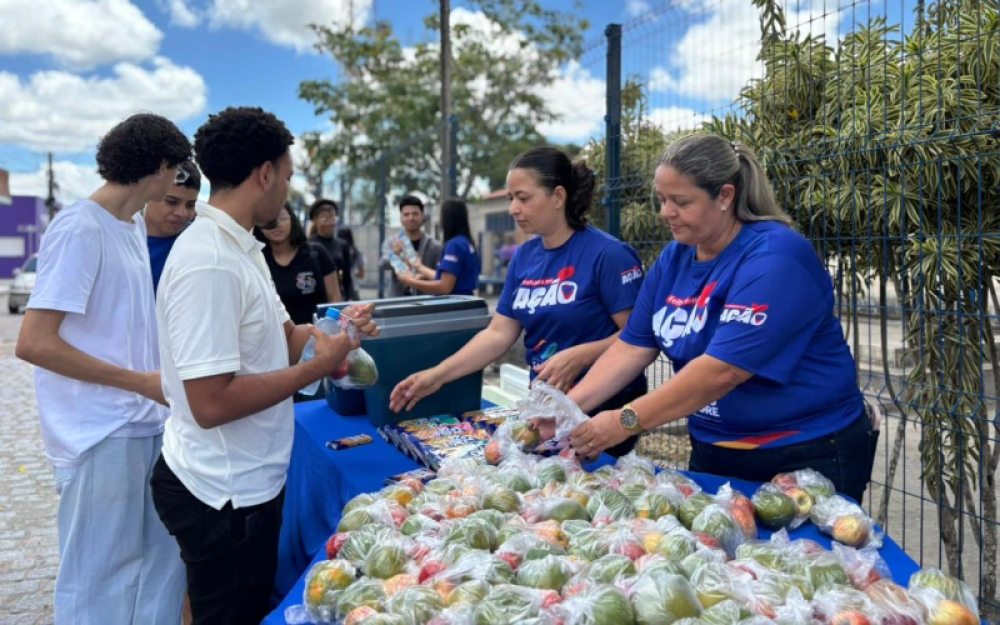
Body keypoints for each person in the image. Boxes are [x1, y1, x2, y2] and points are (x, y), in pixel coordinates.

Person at [541, 134, 877, 502]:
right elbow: (632, 347)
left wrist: (625, 420)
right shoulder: (674, 258)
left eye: (681, 202)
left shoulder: (776, 256)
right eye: (662, 199)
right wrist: (566, 410)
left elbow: (722, 371)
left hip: (804, 451)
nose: (666, 212)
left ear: (725, 196)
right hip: (715, 448)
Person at [150, 106, 378, 625]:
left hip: (246, 484)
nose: (289, 189)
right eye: (289, 175)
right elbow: (211, 403)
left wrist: (342, 329)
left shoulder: (241, 246)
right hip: (223, 495)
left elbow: (287, 338)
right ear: (266, 173)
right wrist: (317, 369)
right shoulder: (209, 260)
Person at [15, 113, 190, 624]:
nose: (177, 181)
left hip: (146, 423)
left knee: (160, 565)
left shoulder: (131, 224)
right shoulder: (79, 225)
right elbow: (34, 342)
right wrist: (139, 382)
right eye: (176, 171)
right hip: (99, 431)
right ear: (159, 167)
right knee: (98, 578)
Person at [390, 147, 647, 456]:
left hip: (602, 412)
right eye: (511, 198)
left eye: (523, 198)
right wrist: (436, 375)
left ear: (558, 197)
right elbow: (499, 334)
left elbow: (638, 339)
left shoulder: (608, 254)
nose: (513, 209)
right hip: (544, 407)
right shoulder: (524, 257)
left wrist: (583, 354)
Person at [256, 203, 342, 325]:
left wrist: (330, 329)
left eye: (282, 218)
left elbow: (335, 299)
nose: (275, 224)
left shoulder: (316, 253)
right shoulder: (257, 260)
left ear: (293, 220)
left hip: (318, 338)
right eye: (269, 220)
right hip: (277, 340)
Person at [394, 197, 480, 296]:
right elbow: (447, 277)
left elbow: (444, 287)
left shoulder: (454, 246)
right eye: (406, 214)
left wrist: (409, 281)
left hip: (454, 306)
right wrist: (420, 267)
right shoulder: (466, 243)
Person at [146, 160, 200, 294]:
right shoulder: (120, 237)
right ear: (148, 194)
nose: (182, 213)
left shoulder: (199, 243)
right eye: (172, 202)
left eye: (190, 205)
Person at [380, 195, 443, 297]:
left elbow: (441, 275)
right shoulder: (391, 242)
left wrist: (424, 275)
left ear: (422, 216)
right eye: (406, 214)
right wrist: (395, 254)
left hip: (426, 301)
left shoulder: (434, 245)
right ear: (401, 218)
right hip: (398, 301)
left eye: (415, 214)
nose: (411, 218)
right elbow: (383, 264)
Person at [308, 199, 350, 300]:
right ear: (315, 220)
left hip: (336, 297)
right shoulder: (307, 245)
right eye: (324, 220)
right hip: (312, 298)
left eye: (333, 219)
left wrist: (350, 298)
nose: (329, 223)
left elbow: (347, 278)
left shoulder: (342, 244)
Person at [336, 226, 365, 300]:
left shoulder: (335, 252)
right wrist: (352, 273)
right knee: (353, 310)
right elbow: (361, 274)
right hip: (354, 288)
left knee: (337, 310)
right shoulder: (357, 252)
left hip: (337, 289)